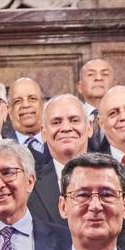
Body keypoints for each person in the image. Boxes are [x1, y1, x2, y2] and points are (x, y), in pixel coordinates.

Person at [31, 94, 94, 223]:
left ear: (89, 127)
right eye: (56, 122)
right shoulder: (29, 187)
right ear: (43, 133)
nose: (65, 128)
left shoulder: (120, 178)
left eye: (74, 120)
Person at [8, 77, 47, 155]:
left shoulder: (58, 141)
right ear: (10, 112)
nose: (25, 105)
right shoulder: (1, 147)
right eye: (17, 101)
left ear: (43, 105)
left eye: (32, 99)